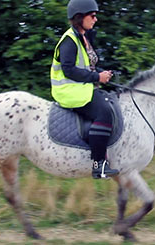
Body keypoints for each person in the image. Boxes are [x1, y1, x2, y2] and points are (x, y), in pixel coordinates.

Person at [50, 0, 119, 179]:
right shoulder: (69, 40)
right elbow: (69, 70)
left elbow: (86, 67)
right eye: (93, 16)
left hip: (81, 86)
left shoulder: (82, 38)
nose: (95, 19)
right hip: (68, 89)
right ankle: (99, 165)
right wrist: (97, 77)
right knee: (104, 113)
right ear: (79, 17)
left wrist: (102, 73)